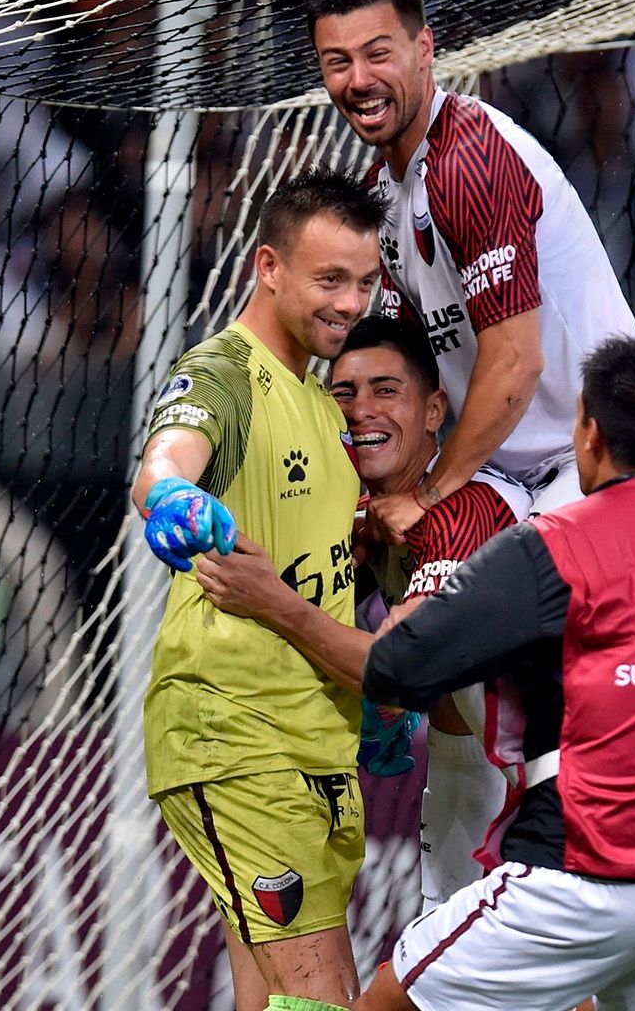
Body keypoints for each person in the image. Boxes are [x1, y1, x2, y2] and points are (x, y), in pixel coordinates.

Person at [306, 337, 635, 1011]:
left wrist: (276, 602)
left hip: (587, 873)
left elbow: (397, 669)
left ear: (589, 434)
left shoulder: (555, 542)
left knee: (385, 1005)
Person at [303, 0, 635, 541]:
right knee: (402, 560)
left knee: (511, 590)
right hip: (510, 470)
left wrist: (423, 495)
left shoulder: (470, 162)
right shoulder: (384, 191)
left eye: (378, 54)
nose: (359, 80)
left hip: (613, 455)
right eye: (338, 62)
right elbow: (404, 366)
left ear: (424, 48)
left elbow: (516, 362)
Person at [129, 170, 384, 1011]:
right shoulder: (225, 373)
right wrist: (172, 498)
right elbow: (165, 462)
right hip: (236, 733)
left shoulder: (322, 398)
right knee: (321, 996)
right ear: (268, 267)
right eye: (330, 279)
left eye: (365, 281)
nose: (350, 303)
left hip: (315, 742)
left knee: (272, 994)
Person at [196, 313, 529, 912]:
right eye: (343, 393)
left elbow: (402, 670)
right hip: (476, 764)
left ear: (435, 410)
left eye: (386, 390)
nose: (361, 410)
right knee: (447, 941)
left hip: (580, 780)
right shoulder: (357, 513)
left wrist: (275, 601)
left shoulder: (468, 507)